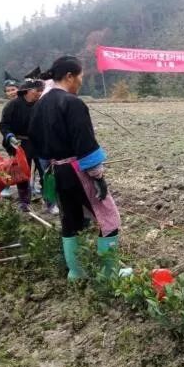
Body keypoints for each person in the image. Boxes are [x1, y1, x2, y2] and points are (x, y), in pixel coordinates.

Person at [29, 56, 121, 280]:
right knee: (109, 218)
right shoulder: (72, 103)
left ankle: (76, 272)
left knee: (70, 218)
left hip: (55, 170)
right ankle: (110, 274)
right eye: (80, 76)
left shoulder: (41, 103)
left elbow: (34, 138)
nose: (81, 80)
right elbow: (85, 143)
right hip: (77, 170)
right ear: (69, 76)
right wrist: (98, 176)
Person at [0, 71, 58, 214]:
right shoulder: (13, 105)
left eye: (42, 90)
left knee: (47, 173)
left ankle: (50, 203)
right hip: (20, 144)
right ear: (29, 91)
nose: (40, 93)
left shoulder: (42, 104)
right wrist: (9, 136)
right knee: (22, 175)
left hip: (40, 143)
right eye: (38, 90)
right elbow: (3, 125)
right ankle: (24, 202)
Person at [0, 71, 21, 198]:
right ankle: (6, 186)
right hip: (13, 140)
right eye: (8, 91)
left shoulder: (27, 103)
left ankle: (31, 186)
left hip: (29, 140)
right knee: (13, 163)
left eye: (13, 89)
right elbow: (3, 125)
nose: (11, 92)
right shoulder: (7, 107)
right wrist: (9, 136)